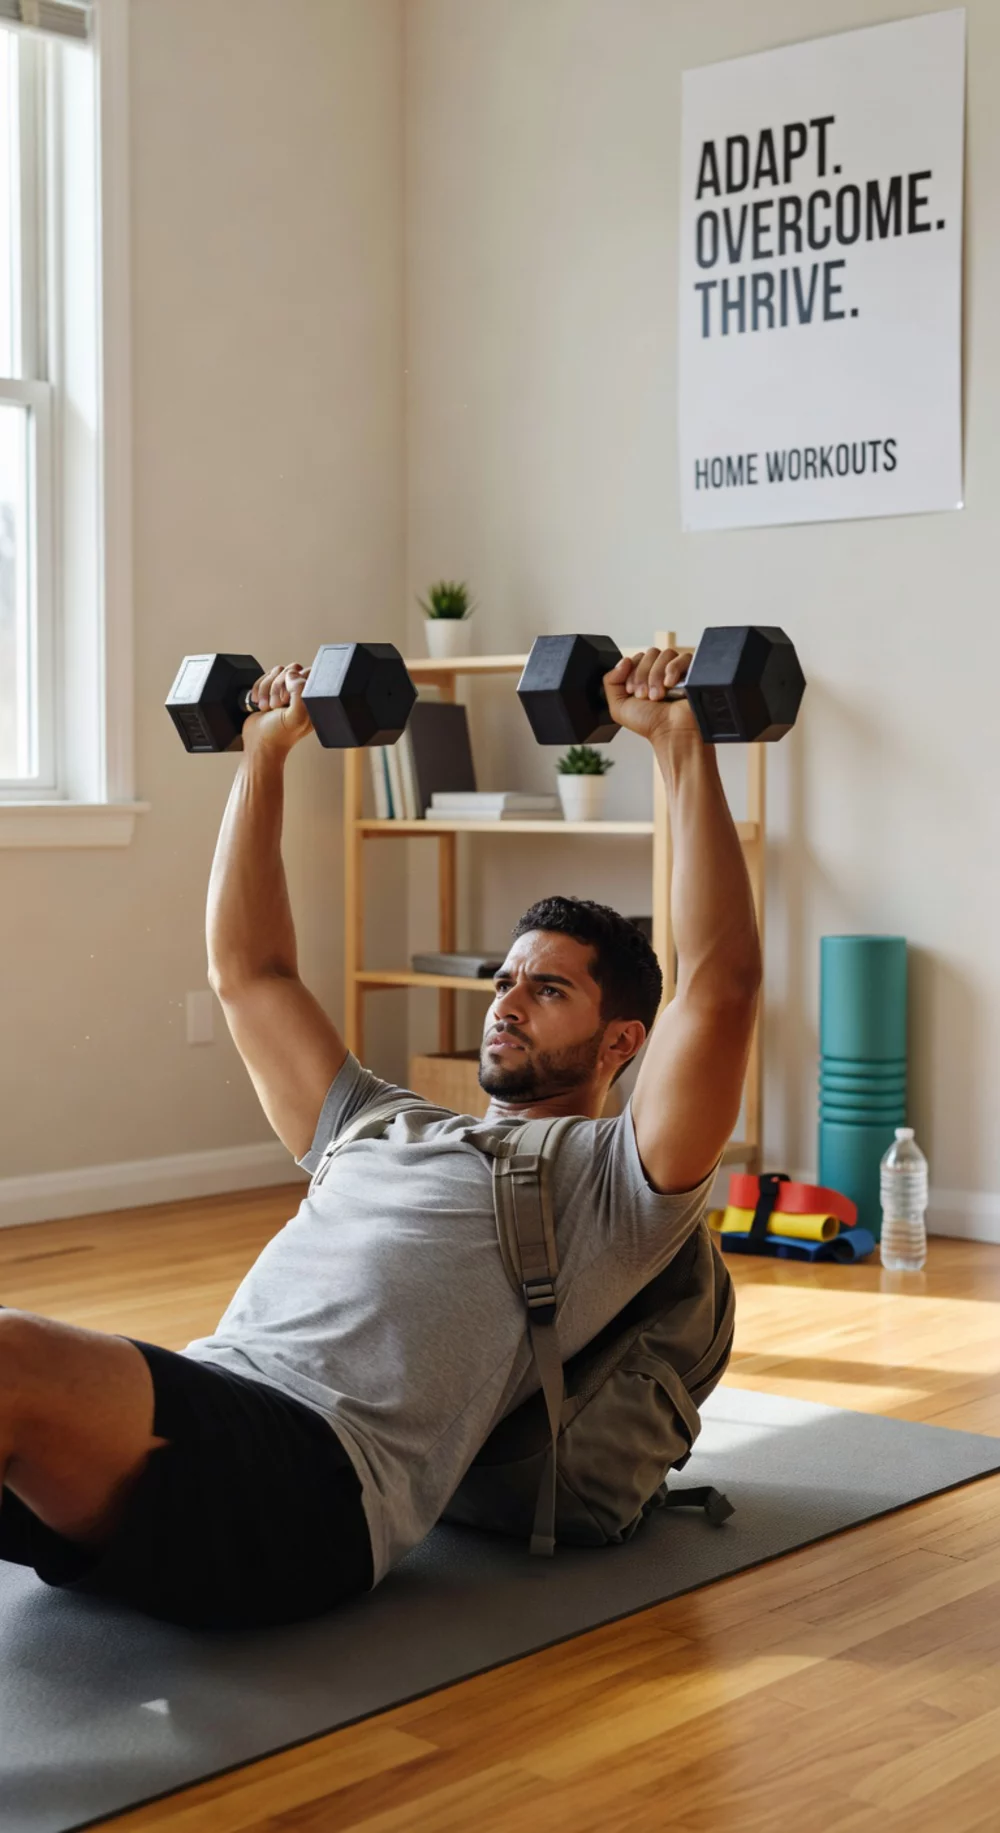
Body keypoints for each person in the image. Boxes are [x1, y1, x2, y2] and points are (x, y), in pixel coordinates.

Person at [0, 646, 760, 1629]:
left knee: (11, 1356)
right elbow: (251, 973)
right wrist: (264, 754)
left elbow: (720, 989)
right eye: (504, 981)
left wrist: (678, 742)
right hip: (209, 1412)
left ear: (621, 1041)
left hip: (316, 1481)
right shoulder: (377, 1120)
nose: (508, 1004)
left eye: (549, 988)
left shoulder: (614, 1184)